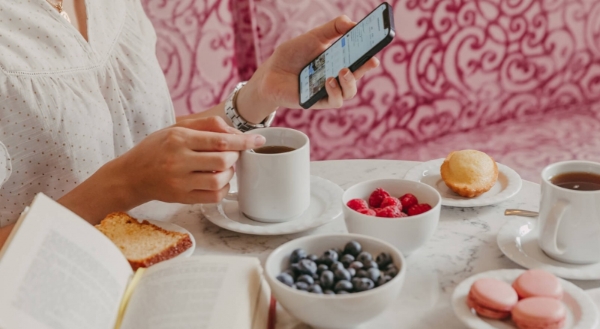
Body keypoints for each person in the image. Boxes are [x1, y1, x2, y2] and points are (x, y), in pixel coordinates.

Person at [0, 0, 380, 246]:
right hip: (45, 311)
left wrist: (259, 94)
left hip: (168, 259)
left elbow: (138, 142)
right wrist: (122, 186)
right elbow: (130, 172)